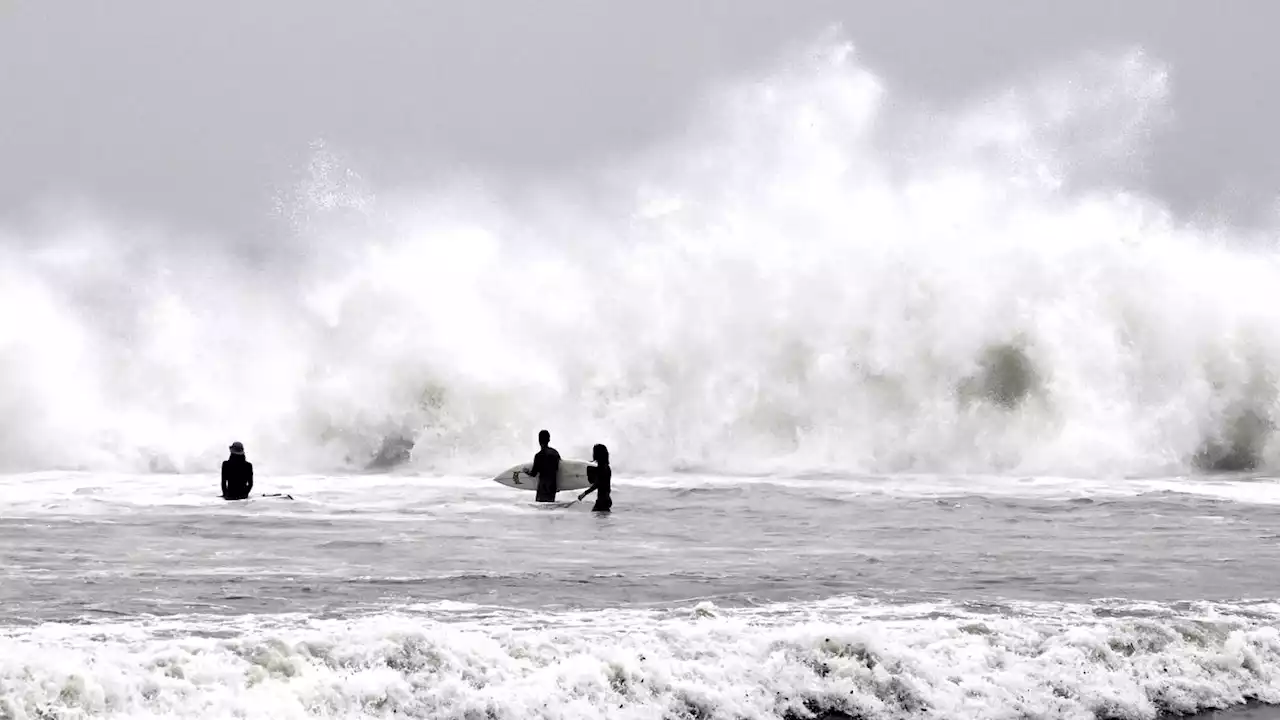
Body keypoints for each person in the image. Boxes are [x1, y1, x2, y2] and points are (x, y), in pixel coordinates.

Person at [527, 429, 560, 502]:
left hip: (543, 487)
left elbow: (533, 474)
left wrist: (526, 471)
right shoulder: (555, 453)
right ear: (549, 439)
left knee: (541, 509)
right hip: (552, 487)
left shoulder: (538, 456)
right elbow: (559, 469)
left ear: (539, 440)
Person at [578, 443, 612, 512]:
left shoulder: (602, 468)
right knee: (601, 520)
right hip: (605, 499)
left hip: (602, 501)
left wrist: (584, 493)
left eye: (594, 452)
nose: (593, 454)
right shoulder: (606, 467)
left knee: (598, 519)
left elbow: (597, 484)